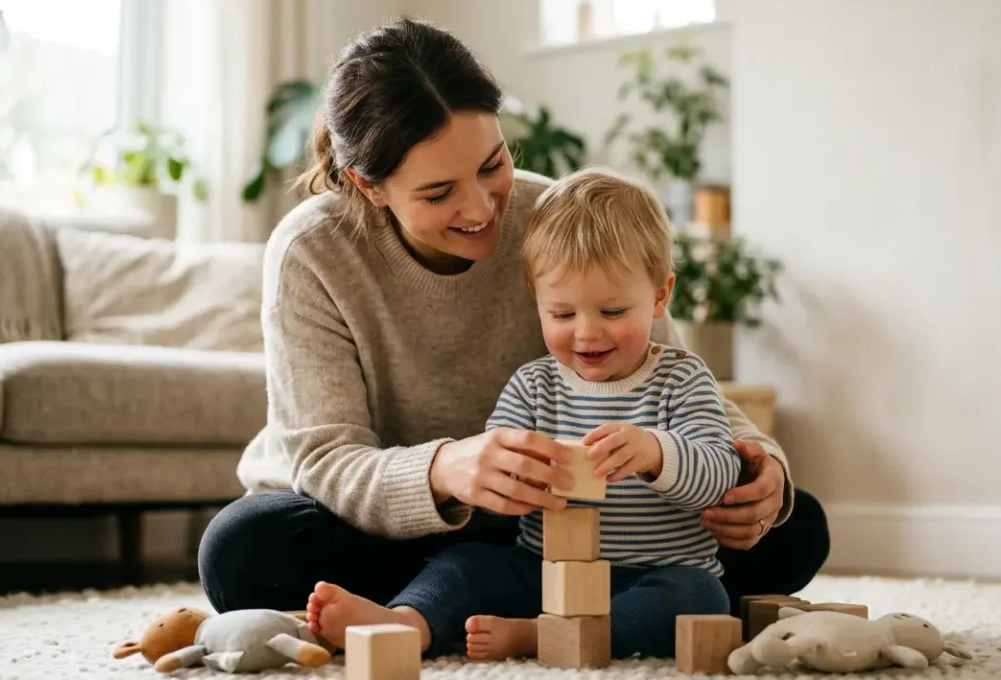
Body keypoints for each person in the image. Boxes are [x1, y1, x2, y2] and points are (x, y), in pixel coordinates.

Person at [197, 14, 829, 644]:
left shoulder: (559, 217)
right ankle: (461, 609)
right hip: (391, 519)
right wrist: (445, 470)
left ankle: (492, 612)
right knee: (243, 549)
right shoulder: (314, 252)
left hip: (556, 526)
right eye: (440, 191)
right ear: (370, 185)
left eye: (492, 164)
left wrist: (760, 470)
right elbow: (329, 462)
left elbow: (670, 373)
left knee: (797, 529)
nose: (479, 208)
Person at [303, 166, 743, 660]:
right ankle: (408, 621)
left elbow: (720, 474)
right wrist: (511, 481)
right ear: (537, 301)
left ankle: (539, 637)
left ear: (661, 295)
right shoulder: (534, 386)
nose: (587, 333)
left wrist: (657, 452)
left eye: (613, 312)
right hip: (543, 569)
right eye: (562, 314)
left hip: (654, 573)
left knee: (701, 599)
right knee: (467, 563)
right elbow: (491, 498)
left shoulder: (682, 379)